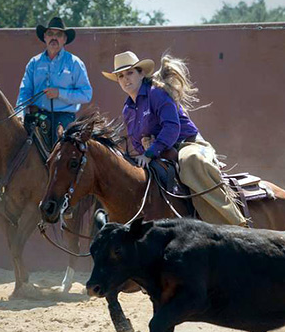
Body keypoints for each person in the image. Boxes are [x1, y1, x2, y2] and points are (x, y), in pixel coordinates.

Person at [102, 51, 247, 227]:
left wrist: (150, 151)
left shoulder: (156, 93)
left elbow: (172, 127)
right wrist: (146, 150)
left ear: (141, 73)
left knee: (191, 161)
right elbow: (136, 142)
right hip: (159, 152)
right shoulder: (128, 109)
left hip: (188, 143)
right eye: (120, 76)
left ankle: (234, 223)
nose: (125, 79)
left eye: (130, 73)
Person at [0, 16, 92, 208]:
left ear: (64, 39)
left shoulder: (74, 63)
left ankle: (65, 200)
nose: (54, 37)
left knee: (60, 152)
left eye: (58, 34)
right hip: (35, 114)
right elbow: (25, 92)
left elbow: (86, 94)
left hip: (63, 117)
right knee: (8, 142)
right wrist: (19, 113)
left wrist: (60, 93)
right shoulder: (34, 63)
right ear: (45, 38)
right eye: (50, 34)